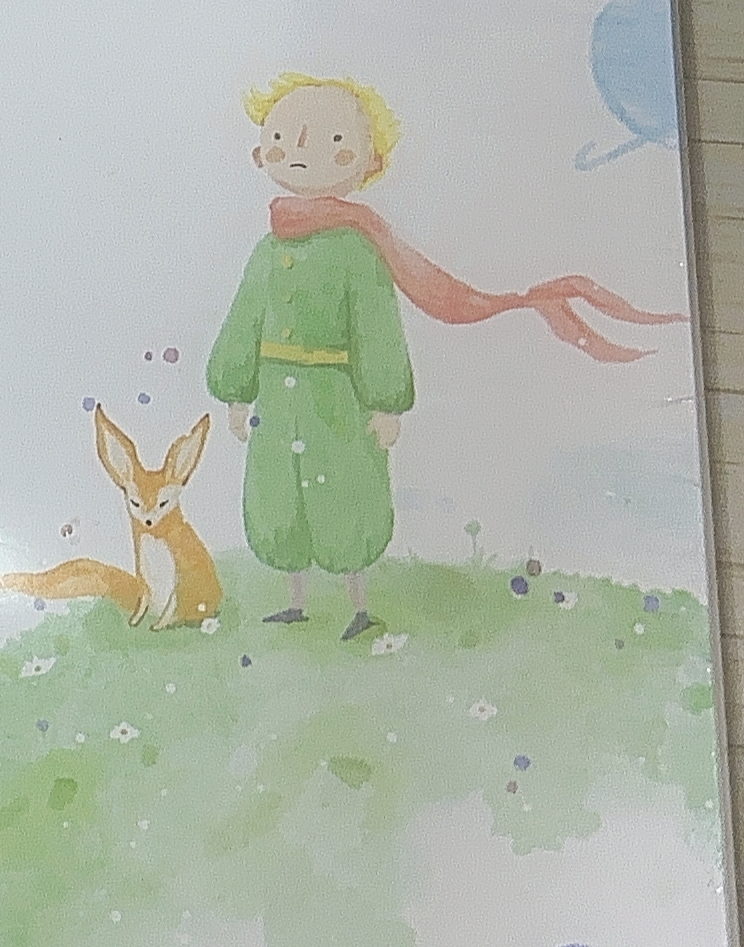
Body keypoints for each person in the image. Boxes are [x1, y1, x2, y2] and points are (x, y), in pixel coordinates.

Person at [208, 72, 681, 641]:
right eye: (285, 137)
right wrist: (235, 390)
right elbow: (244, 319)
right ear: (261, 153)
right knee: (279, 495)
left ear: (368, 161)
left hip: (338, 398)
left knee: (345, 494)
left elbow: (376, 327)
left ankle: (358, 603)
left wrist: (387, 402)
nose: (304, 149)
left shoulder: (359, 249)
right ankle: (295, 600)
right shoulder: (267, 251)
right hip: (277, 397)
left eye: (334, 141)